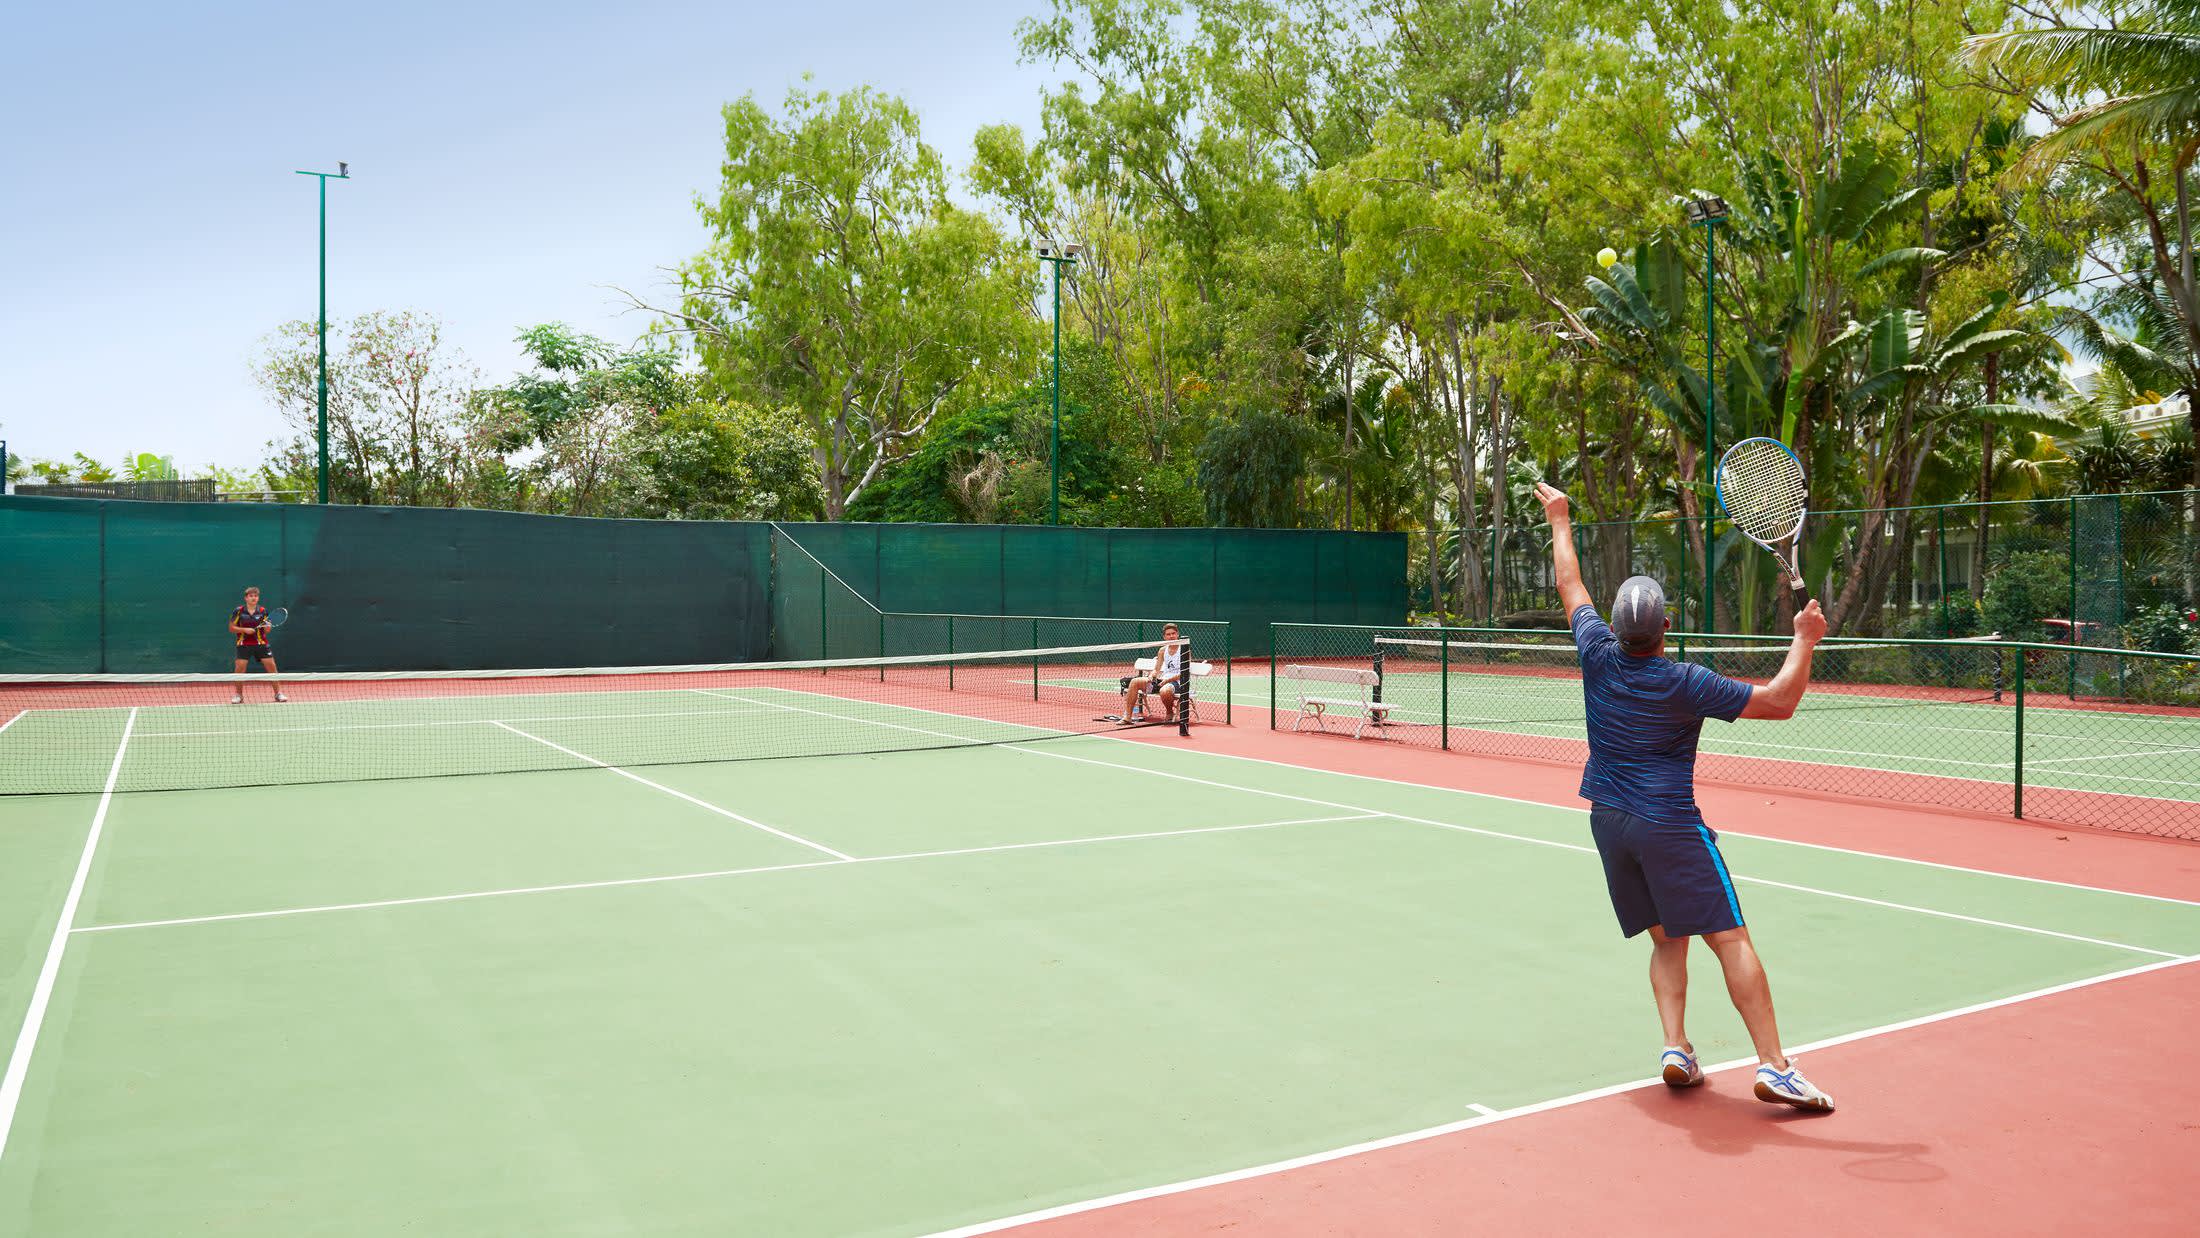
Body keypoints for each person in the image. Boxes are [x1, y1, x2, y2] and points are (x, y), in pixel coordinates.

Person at [1534, 481, 1834, 1112]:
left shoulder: (1595, 654)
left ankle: (1676, 1047)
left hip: (1609, 821)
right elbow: (1779, 702)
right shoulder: (1685, 681)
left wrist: (1560, 517)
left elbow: (1570, 584)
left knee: (1666, 938)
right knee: (1730, 937)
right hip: (1667, 822)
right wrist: (1804, 640)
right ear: (1667, 626)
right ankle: (1775, 1068)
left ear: (1612, 629)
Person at [227, 586, 286, 704]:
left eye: (256, 596)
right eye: (251, 596)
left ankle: (278, 693)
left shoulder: (263, 611)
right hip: (243, 644)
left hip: (261, 644)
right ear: (246, 598)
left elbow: (266, 630)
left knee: (272, 667)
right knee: (239, 669)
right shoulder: (238, 611)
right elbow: (231, 628)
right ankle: (239, 695)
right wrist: (244, 630)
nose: (254, 598)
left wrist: (267, 627)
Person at [1120, 623, 1186, 724]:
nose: (1171, 636)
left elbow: (1184, 672)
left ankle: (1169, 712)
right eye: (1168, 634)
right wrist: (1151, 676)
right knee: (1134, 682)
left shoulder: (1184, 650)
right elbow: (1157, 669)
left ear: (1177, 634)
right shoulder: (1162, 650)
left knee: (1165, 691)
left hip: (1178, 682)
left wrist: (1168, 680)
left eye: (1173, 633)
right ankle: (1127, 717)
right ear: (1164, 637)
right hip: (1163, 681)